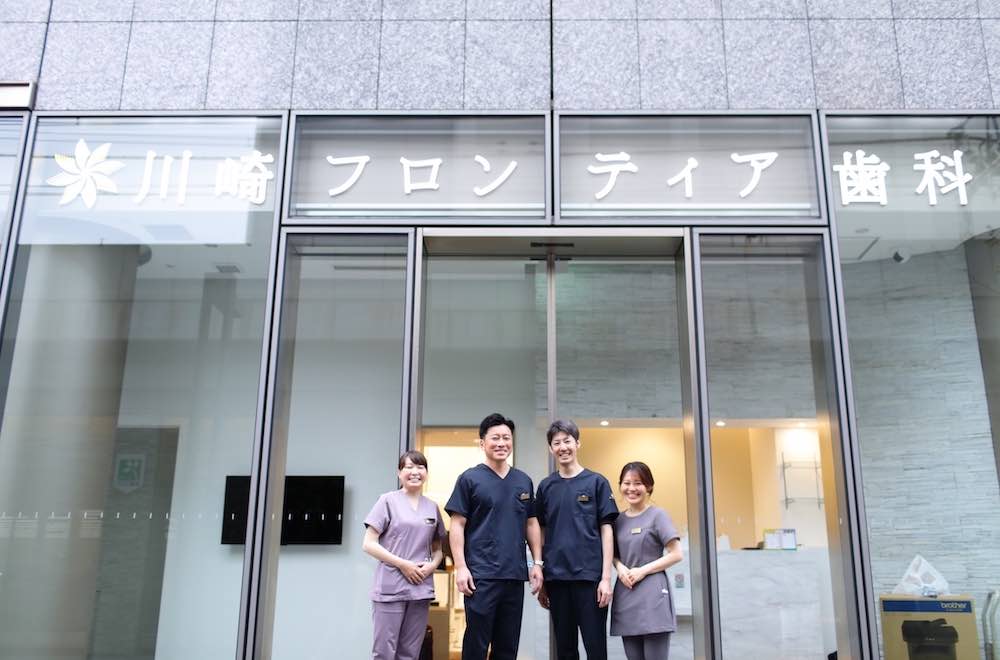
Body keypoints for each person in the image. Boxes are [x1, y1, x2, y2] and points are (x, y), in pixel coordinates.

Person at [445, 413, 544, 660]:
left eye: (506, 438)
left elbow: (531, 522)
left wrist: (537, 563)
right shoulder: (469, 479)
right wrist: (461, 567)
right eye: (495, 438)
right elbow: (457, 524)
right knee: (476, 645)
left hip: (514, 575)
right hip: (481, 575)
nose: (502, 443)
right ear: (482, 443)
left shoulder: (523, 481)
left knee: (507, 647)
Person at [535, 419, 618, 659]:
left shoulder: (597, 482)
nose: (563, 447)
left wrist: (606, 579)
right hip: (557, 580)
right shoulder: (546, 487)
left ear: (577, 443)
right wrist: (541, 573)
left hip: (590, 579)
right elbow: (540, 530)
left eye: (567, 441)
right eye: (556, 443)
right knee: (565, 649)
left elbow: (607, 530)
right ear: (551, 448)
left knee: (595, 648)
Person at [362, 450, 446, 660]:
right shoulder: (387, 501)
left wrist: (432, 565)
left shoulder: (432, 507)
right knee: (384, 652)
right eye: (409, 467)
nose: (415, 472)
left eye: (420, 467)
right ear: (399, 473)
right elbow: (369, 544)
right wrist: (403, 564)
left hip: (420, 588)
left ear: (426, 473)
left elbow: (438, 549)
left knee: (410, 653)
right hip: (390, 588)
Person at [610, 462, 684, 660]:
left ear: (649, 486)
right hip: (626, 593)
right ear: (620, 486)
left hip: (653, 596)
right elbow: (613, 554)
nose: (631, 488)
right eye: (627, 483)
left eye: (638, 483)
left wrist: (642, 570)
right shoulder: (617, 520)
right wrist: (620, 567)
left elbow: (676, 553)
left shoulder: (658, 516)